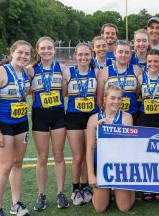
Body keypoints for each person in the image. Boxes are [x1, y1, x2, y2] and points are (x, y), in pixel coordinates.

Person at [0, 40, 32, 216]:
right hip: (3, 125)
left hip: (21, 123)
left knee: (18, 164)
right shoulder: (0, 72)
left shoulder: (26, 73)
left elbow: (26, 92)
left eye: (27, 54)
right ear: (12, 52)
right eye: (20, 52)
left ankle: (16, 204)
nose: (23, 56)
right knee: (5, 166)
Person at [26, 37, 69, 211]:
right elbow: (26, 89)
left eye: (49, 48)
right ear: (37, 49)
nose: (46, 51)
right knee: (42, 158)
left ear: (54, 50)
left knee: (59, 156)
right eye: (43, 48)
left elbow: (67, 91)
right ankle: (41, 195)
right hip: (39, 117)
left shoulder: (63, 69)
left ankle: (60, 193)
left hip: (58, 115)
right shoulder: (30, 70)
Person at [86, 85, 135, 213]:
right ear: (105, 99)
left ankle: (132, 188)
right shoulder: (93, 119)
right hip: (102, 166)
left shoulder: (126, 117)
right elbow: (90, 149)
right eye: (112, 98)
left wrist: (109, 130)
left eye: (119, 98)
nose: (116, 101)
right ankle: (105, 191)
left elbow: (127, 145)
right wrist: (91, 175)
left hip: (120, 166)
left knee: (124, 208)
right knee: (99, 208)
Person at [62, 43, 99, 205]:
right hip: (73, 118)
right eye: (80, 55)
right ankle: (75, 189)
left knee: (87, 155)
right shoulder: (67, 72)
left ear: (91, 55)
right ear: (74, 56)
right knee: (77, 157)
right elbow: (64, 93)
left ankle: (85, 187)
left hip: (91, 117)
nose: (83, 58)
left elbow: (99, 97)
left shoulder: (96, 72)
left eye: (86, 55)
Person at [137, 49, 159, 202]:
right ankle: (147, 186)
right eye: (150, 61)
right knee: (147, 153)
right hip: (145, 118)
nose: (152, 64)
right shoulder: (140, 77)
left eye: (156, 61)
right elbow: (137, 94)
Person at [97, 40, 142, 121]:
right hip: (110, 117)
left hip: (131, 115)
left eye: (127, 52)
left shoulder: (137, 70)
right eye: (120, 52)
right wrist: (102, 116)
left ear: (131, 54)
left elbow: (137, 93)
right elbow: (100, 99)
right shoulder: (104, 72)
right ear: (115, 53)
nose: (123, 55)